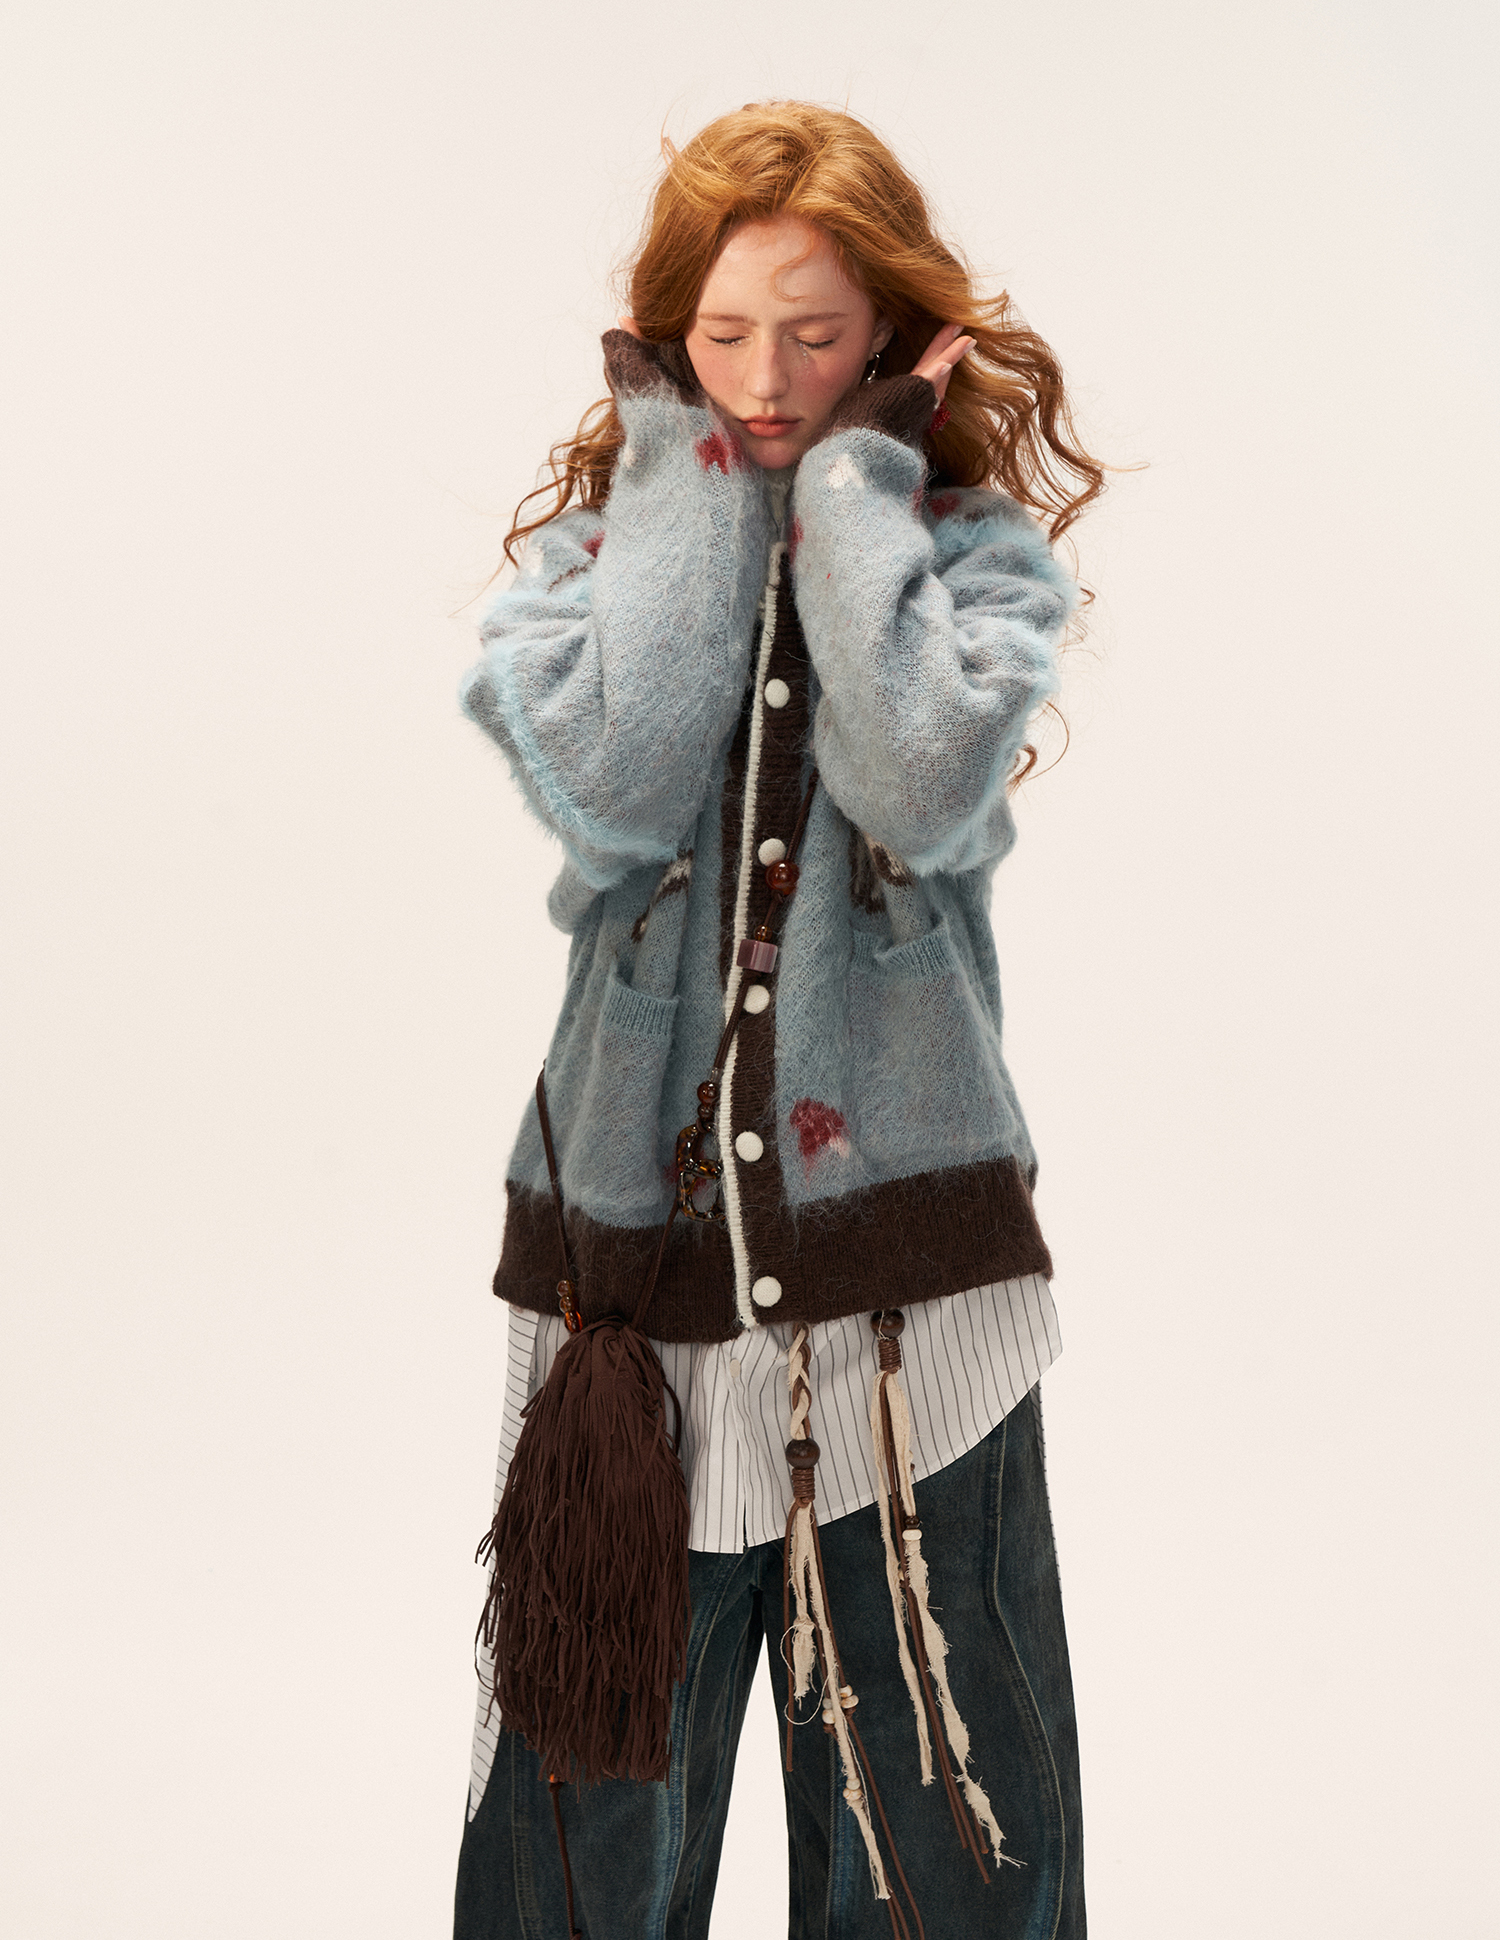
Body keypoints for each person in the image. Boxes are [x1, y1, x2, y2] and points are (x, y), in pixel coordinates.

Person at [454, 99, 1103, 1940]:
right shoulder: (583, 580)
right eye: (724, 335)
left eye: (814, 337)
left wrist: (854, 491)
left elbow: (912, 778)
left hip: (914, 1328)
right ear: (666, 340)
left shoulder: (974, 572)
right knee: (582, 1860)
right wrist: (685, 483)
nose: (765, 379)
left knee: (946, 1858)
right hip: (622, 1325)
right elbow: (621, 782)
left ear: (889, 336)